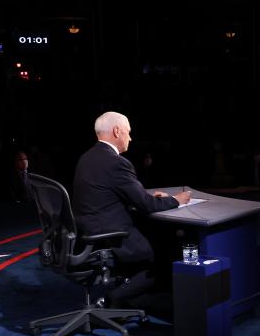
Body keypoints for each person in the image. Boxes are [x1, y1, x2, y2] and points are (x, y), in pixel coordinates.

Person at [72, 111, 191, 307]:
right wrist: (177, 200)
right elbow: (147, 206)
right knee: (167, 252)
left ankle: (133, 294)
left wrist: (143, 197)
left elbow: (105, 195)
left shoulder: (86, 158)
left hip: (87, 231)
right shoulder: (116, 162)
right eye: (128, 132)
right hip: (111, 234)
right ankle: (114, 299)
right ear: (117, 131)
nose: (130, 137)